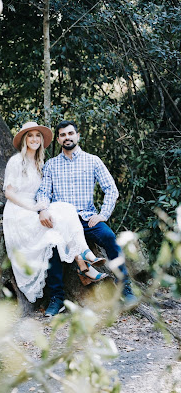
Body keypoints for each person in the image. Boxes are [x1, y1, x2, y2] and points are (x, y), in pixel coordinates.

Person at [36, 120, 137, 316]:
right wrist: (43, 210)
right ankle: (57, 298)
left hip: (87, 218)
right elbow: (43, 193)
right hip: (62, 221)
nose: (67, 137)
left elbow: (111, 189)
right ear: (58, 139)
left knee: (109, 238)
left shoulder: (93, 160)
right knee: (52, 248)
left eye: (70, 133)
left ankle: (125, 289)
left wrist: (103, 215)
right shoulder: (51, 165)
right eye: (63, 135)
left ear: (77, 136)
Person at [3, 121, 108, 305]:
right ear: (24, 140)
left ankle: (84, 260)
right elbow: (9, 193)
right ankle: (83, 262)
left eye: (37, 135)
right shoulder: (16, 161)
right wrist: (33, 208)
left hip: (35, 208)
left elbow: (43, 193)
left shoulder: (39, 163)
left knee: (64, 211)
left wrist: (40, 207)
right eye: (30, 135)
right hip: (19, 213)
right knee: (55, 230)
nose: (34, 139)